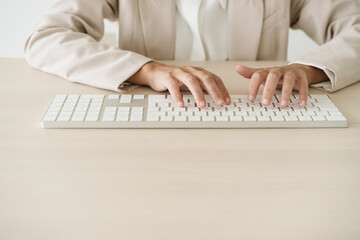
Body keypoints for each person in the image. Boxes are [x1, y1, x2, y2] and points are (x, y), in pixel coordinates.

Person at [25, 0, 360, 109]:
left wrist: (308, 68)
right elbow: (47, 38)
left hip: (253, 116)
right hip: (150, 119)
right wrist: (146, 70)